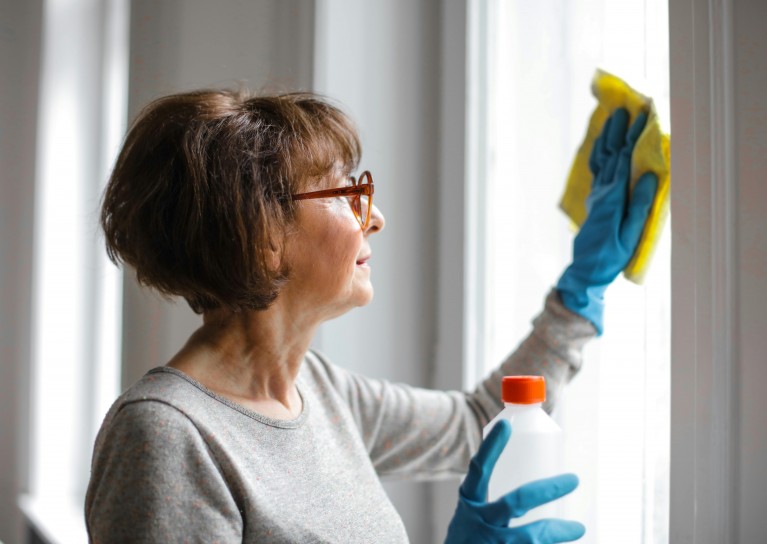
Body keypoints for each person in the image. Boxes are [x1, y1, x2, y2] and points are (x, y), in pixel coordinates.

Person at [85, 89, 656, 543]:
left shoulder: (322, 392)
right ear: (262, 235)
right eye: (344, 192)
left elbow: (477, 423)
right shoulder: (166, 436)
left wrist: (581, 290)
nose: (375, 216)